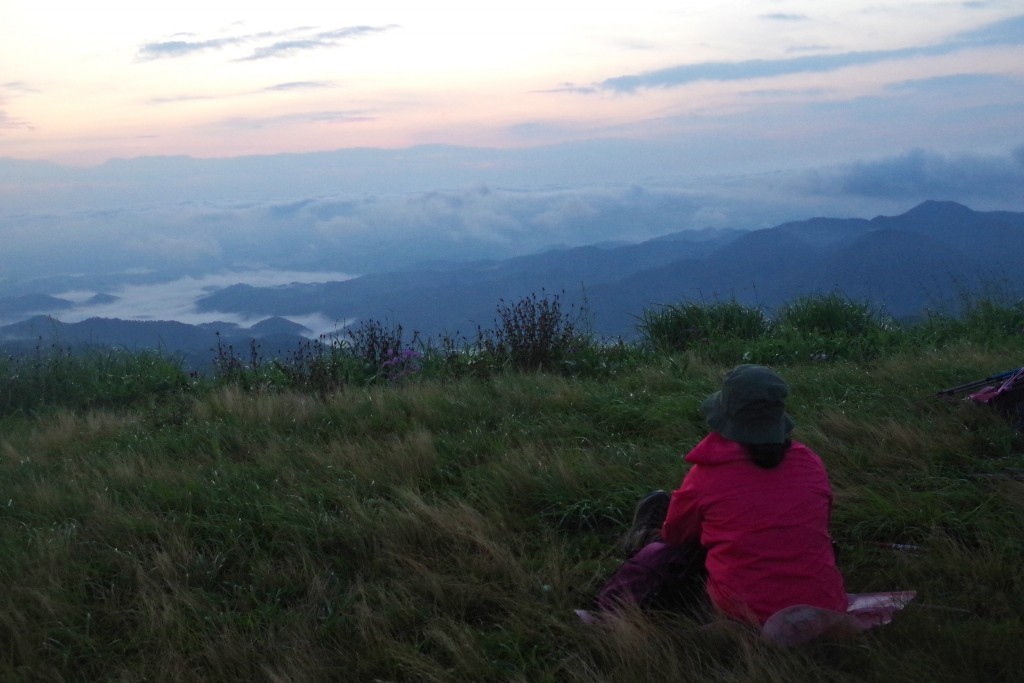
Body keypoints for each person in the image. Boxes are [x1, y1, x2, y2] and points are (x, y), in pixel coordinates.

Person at [593, 364, 848, 627]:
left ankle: (640, 541)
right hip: (826, 607)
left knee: (666, 542)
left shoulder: (707, 473)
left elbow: (677, 535)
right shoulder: (810, 463)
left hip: (743, 614)